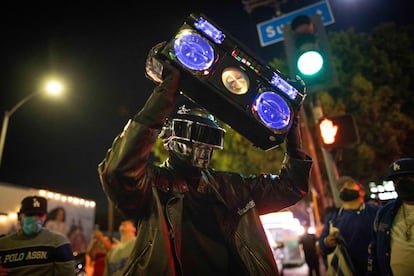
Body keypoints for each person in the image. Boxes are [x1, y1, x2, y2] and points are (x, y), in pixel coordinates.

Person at [97, 41, 313, 275]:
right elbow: (118, 171)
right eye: (193, 133)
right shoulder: (152, 189)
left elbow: (291, 186)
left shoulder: (231, 187)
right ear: (168, 138)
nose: (202, 144)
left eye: (210, 136)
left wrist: (292, 126)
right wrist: (166, 91)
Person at [319, 176, 379, 275]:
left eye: (350, 185)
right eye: (341, 187)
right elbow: (322, 244)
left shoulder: (377, 212)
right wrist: (327, 242)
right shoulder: (333, 218)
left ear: (361, 192)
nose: (345, 187)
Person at [0, 195, 75, 275]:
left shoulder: (58, 243)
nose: (35, 218)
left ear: (45, 217)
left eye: (39, 215)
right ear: (19, 217)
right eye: (30, 215)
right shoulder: (3, 244)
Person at [367, 157, 414, 275]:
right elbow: (374, 250)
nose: (401, 183)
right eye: (396, 180)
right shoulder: (385, 213)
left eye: (407, 178)